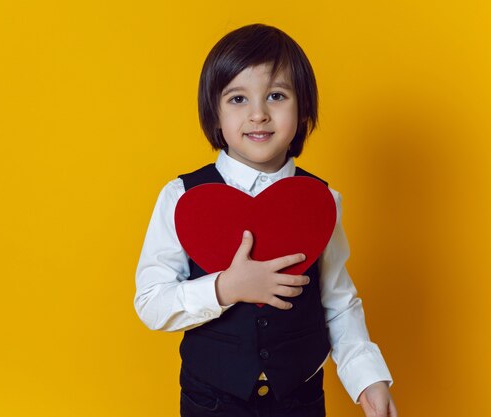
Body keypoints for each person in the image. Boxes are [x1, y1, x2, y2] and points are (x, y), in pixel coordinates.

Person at [134, 23, 397, 417]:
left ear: (303, 108)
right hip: (211, 401)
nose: (258, 114)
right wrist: (225, 288)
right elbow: (152, 302)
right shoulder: (180, 197)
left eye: (276, 95)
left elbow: (338, 302)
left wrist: (367, 378)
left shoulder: (323, 202)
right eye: (238, 98)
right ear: (214, 112)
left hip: (300, 400)